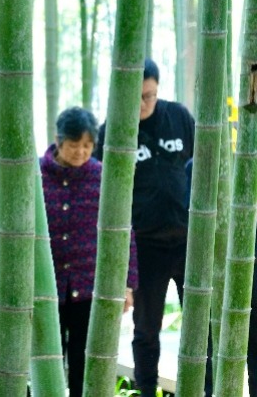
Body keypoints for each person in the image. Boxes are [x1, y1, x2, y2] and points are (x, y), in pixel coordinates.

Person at [94, 59, 195, 397]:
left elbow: (208, 166)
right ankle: (148, 390)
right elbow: (100, 195)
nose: (142, 105)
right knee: (146, 329)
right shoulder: (111, 133)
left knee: (200, 325)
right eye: (135, 97)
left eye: (149, 96)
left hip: (189, 241)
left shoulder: (179, 117)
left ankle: (204, 388)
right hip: (144, 247)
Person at [40, 106, 138, 396]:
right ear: (58, 141)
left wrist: (127, 285)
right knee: (47, 363)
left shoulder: (102, 176)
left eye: (88, 146)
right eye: (74, 145)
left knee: (85, 363)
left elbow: (125, 230)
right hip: (47, 288)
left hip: (89, 288)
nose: (81, 152)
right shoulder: (35, 174)